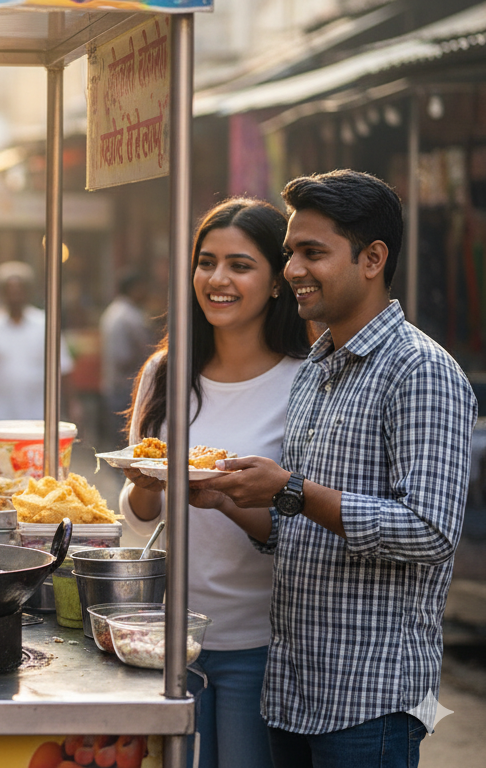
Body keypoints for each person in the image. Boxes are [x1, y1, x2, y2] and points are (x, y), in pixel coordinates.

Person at [199, 170, 477, 768]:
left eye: (313, 253)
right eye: (290, 253)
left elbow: (429, 531)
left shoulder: (420, 371)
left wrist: (291, 489)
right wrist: (227, 499)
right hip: (293, 692)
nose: (293, 269)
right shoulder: (317, 367)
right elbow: (298, 533)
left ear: (372, 258)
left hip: (368, 702)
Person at [120, 198, 309, 768]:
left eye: (240, 265)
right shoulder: (165, 372)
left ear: (277, 282)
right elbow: (136, 519)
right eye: (206, 262)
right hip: (170, 633)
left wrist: (224, 497)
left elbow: (297, 519)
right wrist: (147, 485)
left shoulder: (305, 383)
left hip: (265, 639)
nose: (218, 279)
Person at [0, 261, 73, 423]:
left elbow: (63, 368)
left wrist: (72, 406)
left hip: (40, 416)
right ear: (1, 293)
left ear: (27, 292)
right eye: (9, 291)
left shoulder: (46, 325)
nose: (14, 295)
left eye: (19, 290)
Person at [99, 272, 152, 444]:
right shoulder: (128, 316)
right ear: (134, 289)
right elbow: (122, 357)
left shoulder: (114, 312)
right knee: (126, 438)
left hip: (115, 384)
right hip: (126, 386)